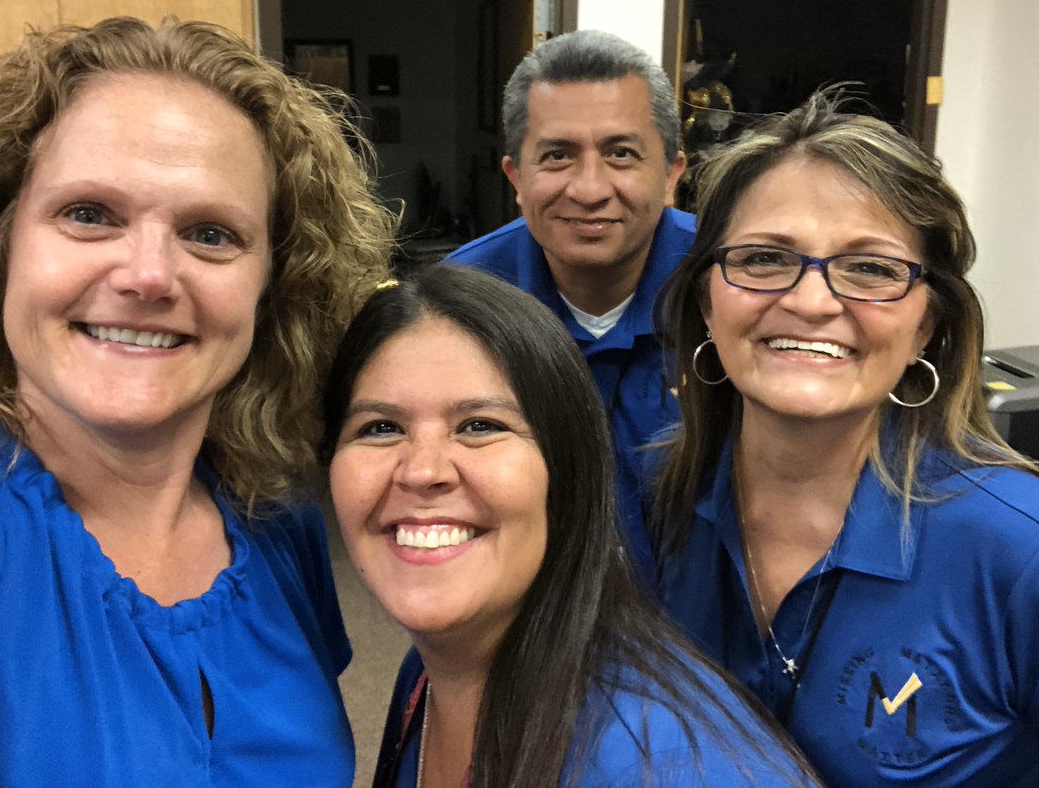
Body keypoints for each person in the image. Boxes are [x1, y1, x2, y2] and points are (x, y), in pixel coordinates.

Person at [0, 17, 397, 785]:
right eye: (90, 215)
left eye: (210, 232)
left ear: (274, 283)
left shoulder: (278, 514)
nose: (147, 275)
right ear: (0, 241)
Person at [651, 89, 1039, 786]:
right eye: (766, 257)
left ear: (926, 325)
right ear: (707, 299)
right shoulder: (649, 503)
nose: (810, 301)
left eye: (871, 268)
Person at [321, 265, 818, 788]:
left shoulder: (663, 766)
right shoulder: (428, 676)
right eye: (380, 428)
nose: (422, 470)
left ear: (567, 471)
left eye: (480, 426)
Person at [447, 30, 691, 584]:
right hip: (522, 614)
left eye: (621, 154)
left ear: (673, 174)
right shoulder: (464, 298)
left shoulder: (731, 288)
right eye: (557, 156)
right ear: (516, 176)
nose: (588, 189)